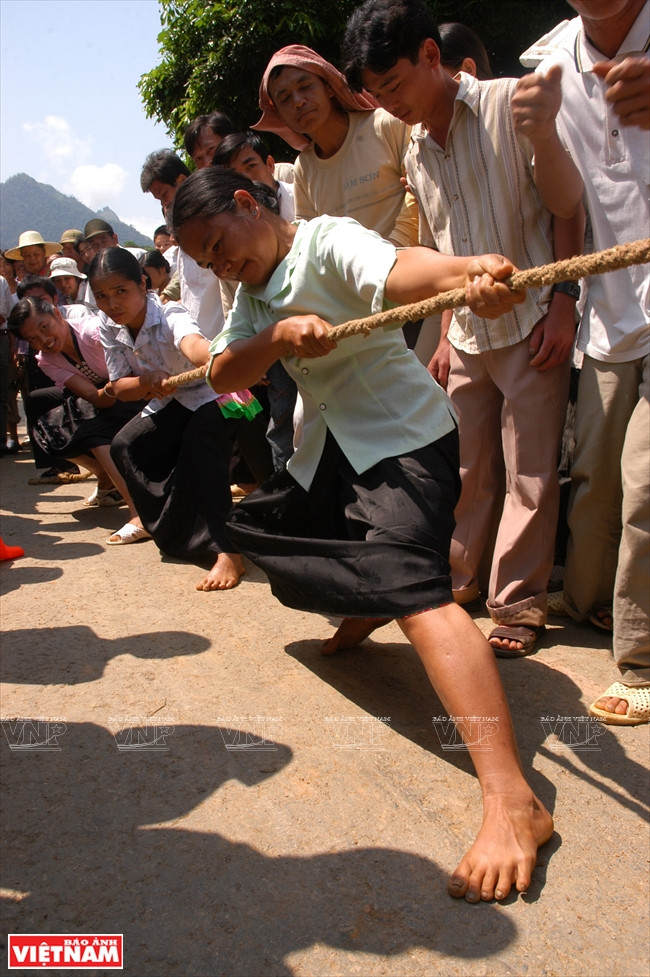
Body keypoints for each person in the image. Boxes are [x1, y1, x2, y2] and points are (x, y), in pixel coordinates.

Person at [170, 165, 553, 903]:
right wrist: (278, 335)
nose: (221, 265)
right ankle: (370, 595)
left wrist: (469, 268)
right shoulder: (251, 298)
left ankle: (513, 798)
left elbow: (400, 269)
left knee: (422, 595)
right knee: (253, 524)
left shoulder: (325, 241)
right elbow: (223, 372)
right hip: (334, 452)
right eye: (207, 261)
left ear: (248, 203)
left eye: (220, 245)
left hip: (405, 441)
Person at [341, 0, 585, 657]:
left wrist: (564, 298)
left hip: (536, 321)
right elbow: (447, 249)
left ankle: (518, 604)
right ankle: (457, 581)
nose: (390, 105)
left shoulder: (511, 105)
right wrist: (446, 335)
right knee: (468, 470)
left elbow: (567, 208)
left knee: (531, 472)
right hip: (469, 336)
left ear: (430, 55)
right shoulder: (416, 147)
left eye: (394, 86)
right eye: (377, 94)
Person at [517, 0, 649, 724]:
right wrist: (539, 137)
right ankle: (590, 600)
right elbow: (564, 203)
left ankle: (640, 657)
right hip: (609, 308)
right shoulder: (549, 65)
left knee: (646, 485)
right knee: (594, 475)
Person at [89, 247, 273, 584]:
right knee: (126, 446)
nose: (112, 303)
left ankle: (227, 549)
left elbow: (196, 346)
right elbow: (119, 386)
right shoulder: (106, 324)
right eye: (102, 295)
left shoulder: (170, 313)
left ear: (143, 284)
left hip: (219, 393)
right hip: (173, 401)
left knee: (201, 442)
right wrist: (143, 382)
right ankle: (178, 531)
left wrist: (227, 361)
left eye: (120, 292)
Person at [253, 44, 418, 248]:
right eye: (285, 98)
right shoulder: (304, 168)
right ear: (280, 115)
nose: (298, 102)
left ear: (329, 86)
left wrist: (391, 252)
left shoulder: (387, 125)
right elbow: (312, 242)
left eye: (305, 86)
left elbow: (419, 193)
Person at [7, 296, 144, 534]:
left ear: (57, 315)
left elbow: (132, 372)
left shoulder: (94, 332)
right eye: (33, 339)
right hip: (107, 397)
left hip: (139, 388)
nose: (44, 340)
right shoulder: (47, 361)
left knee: (96, 433)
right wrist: (109, 390)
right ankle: (105, 476)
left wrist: (114, 388)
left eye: (44, 328)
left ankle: (137, 512)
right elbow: (93, 396)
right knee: (49, 428)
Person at [212, 130, 295, 221]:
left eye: (251, 166)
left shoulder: (302, 198)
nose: (245, 179)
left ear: (269, 164)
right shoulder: (230, 223)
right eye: (234, 175)